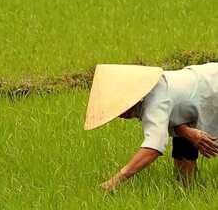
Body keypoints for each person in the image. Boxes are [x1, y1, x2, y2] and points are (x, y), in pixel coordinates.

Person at [84, 63, 218, 191]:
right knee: (182, 146)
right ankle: (188, 192)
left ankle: (190, 191)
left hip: (213, 88)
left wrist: (116, 180)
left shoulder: (155, 101)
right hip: (206, 81)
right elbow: (176, 113)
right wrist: (187, 132)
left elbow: (153, 147)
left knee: (183, 143)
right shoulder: (154, 89)